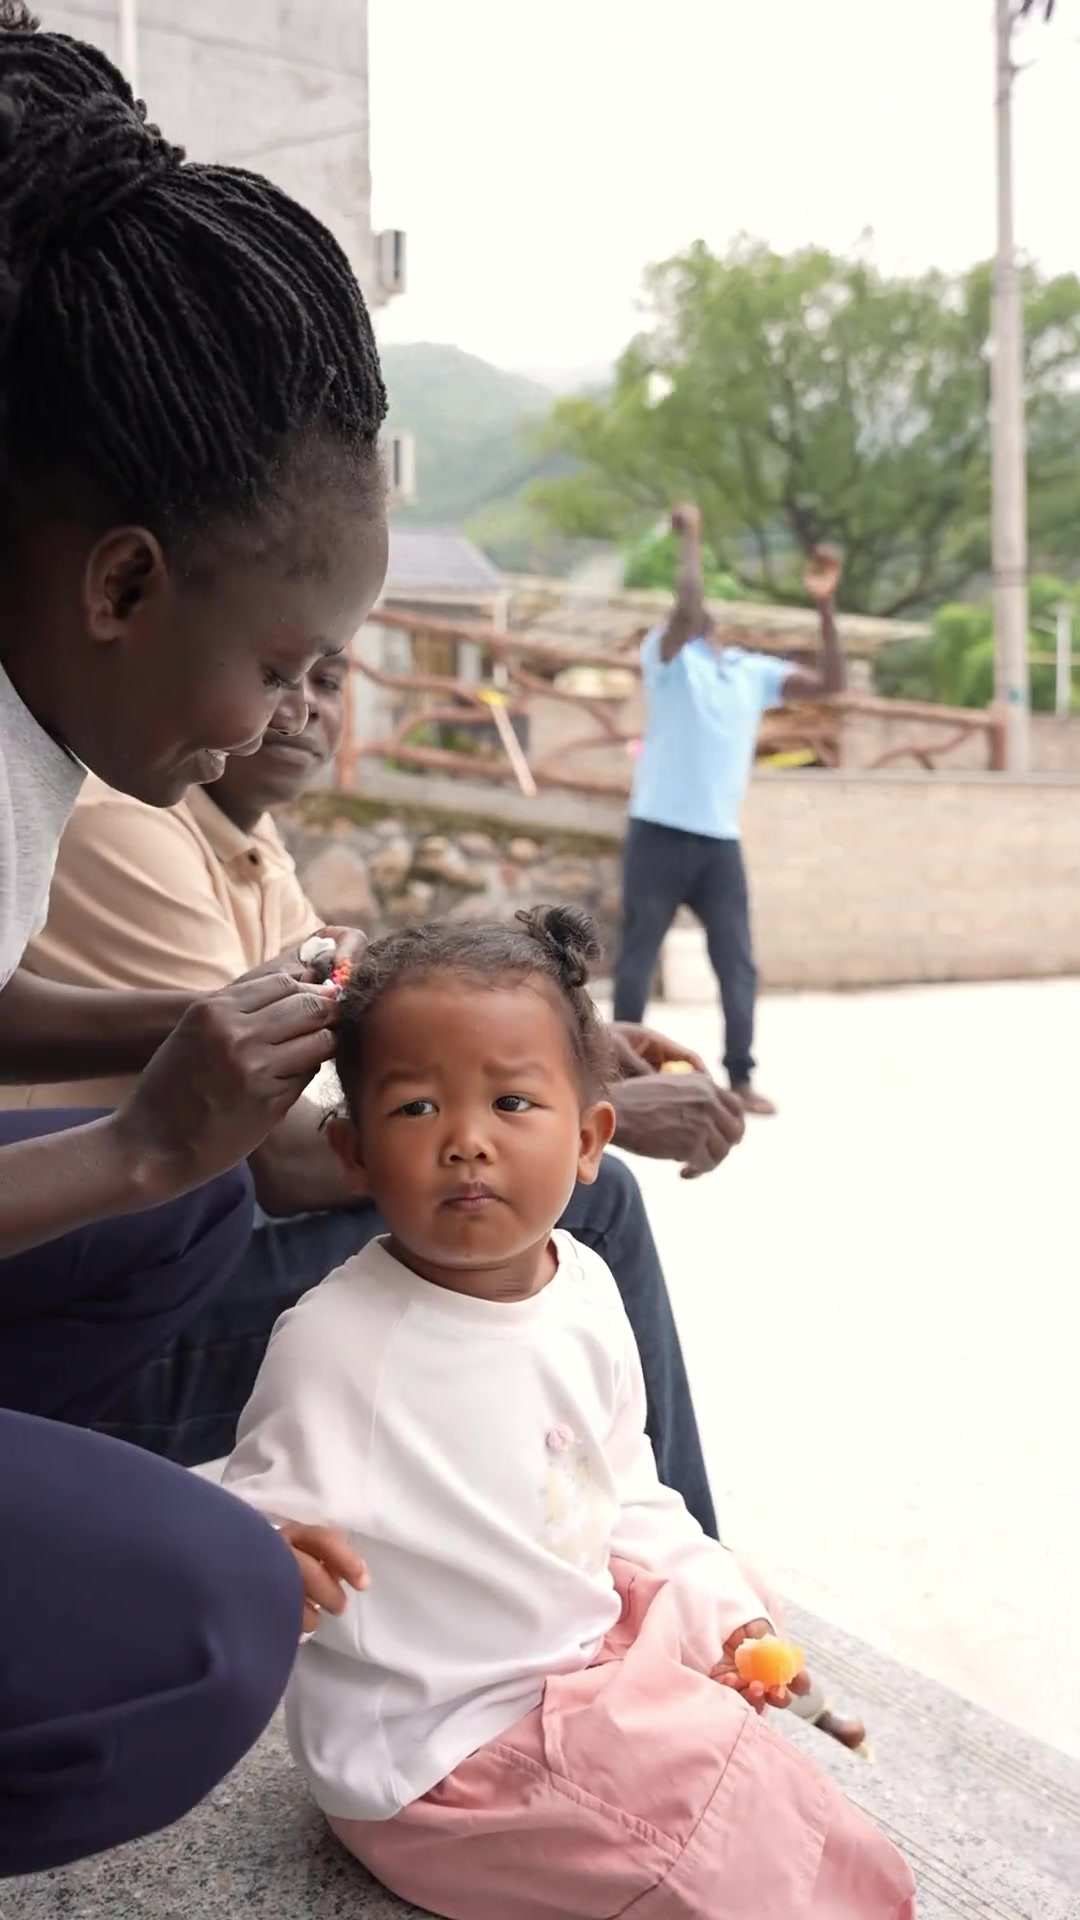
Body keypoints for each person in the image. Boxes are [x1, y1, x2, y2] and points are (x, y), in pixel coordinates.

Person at [0, 5, 391, 1877]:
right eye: (269, 665)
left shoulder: (33, 711)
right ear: (125, 578)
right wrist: (145, 1132)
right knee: (197, 1622)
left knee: (176, 1206)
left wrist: (174, 1037)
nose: (265, 726)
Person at [221, 907, 914, 1920]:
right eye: (415, 1110)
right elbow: (245, 1539)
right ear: (353, 1150)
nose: (466, 1142)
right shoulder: (339, 1343)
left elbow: (624, 1491)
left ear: (591, 1139)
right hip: (447, 1748)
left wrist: (726, 1617)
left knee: (733, 1595)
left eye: (511, 1101)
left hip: (571, 1657)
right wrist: (277, 1558)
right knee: (732, 1858)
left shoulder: (584, 1286)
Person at [7, 676, 743, 1533]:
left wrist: (565, 1050)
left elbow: (375, 1033)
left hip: (181, 1249)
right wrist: (552, 1110)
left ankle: (645, 1568)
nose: (301, 706)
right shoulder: (128, 823)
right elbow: (283, 1157)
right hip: (113, 1327)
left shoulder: (250, 839)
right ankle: (685, 1588)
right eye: (276, 666)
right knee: (591, 1202)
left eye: (328, 676)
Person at [613, 504, 846, 1115]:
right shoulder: (664, 659)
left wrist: (824, 604)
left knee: (737, 964)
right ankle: (621, 1071)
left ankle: (740, 1078)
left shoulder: (751, 672)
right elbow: (687, 606)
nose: (697, 612)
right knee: (638, 955)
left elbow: (831, 685)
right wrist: (693, 541)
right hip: (658, 833)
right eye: (691, 607)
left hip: (718, 843)